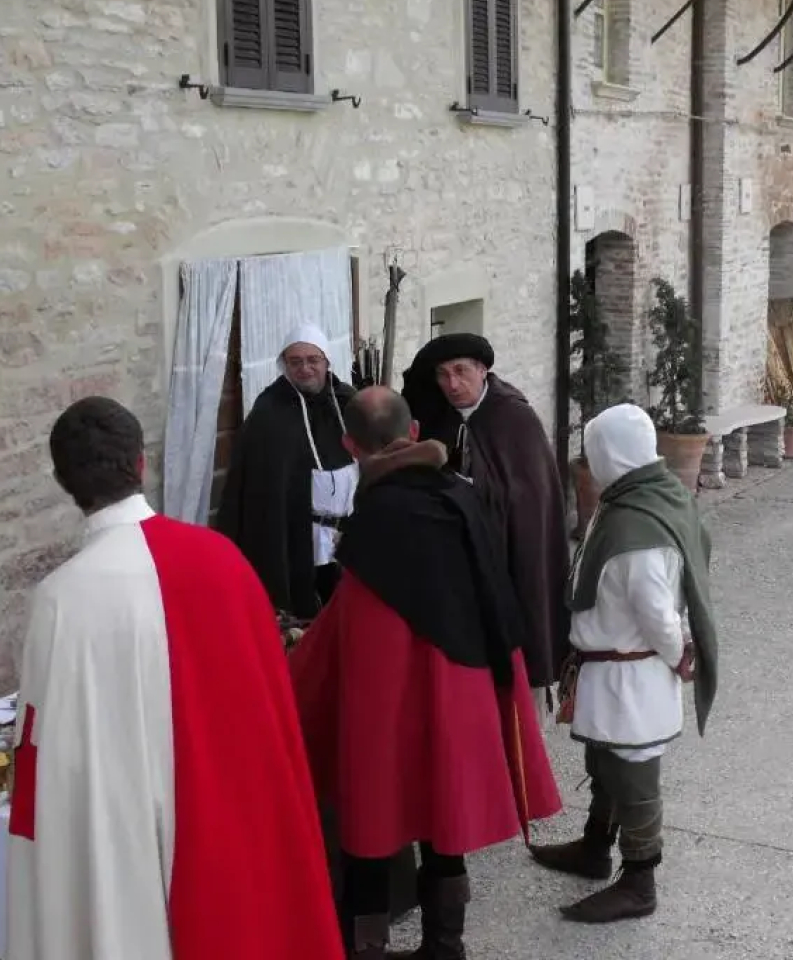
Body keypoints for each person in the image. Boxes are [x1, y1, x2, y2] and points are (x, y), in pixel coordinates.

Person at [6, 397, 341, 960]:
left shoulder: (62, 599)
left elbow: (50, 756)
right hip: (232, 825)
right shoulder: (224, 559)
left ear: (65, 482)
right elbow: (269, 708)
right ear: (141, 465)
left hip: (125, 834)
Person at [289, 386, 562, 960]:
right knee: (445, 817)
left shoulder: (373, 524)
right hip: (461, 686)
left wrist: (291, 664)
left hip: (388, 699)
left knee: (370, 820)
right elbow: (495, 595)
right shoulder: (460, 497)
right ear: (413, 433)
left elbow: (359, 633)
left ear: (348, 446)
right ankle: (445, 945)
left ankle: (366, 949)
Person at [529, 403, 719, 924]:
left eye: (594, 451)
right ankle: (594, 848)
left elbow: (656, 611)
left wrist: (679, 653)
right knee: (606, 761)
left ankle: (639, 882)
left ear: (612, 453)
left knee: (635, 775)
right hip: (612, 670)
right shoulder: (642, 496)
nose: (590, 461)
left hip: (631, 673)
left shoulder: (638, 528)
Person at [401, 333, 570, 719]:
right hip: (460, 576)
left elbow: (528, 505)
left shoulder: (513, 418)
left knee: (515, 694)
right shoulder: (438, 417)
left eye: (461, 372)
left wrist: (468, 493)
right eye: (443, 375)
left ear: (482, 370)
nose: (452, 384)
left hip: (507, 569)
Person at [216, 324, 358, 619]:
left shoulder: (347, 402)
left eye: (312, 360)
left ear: (326, 362)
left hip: (351, 532)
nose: (305, 369)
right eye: (296, 362)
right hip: (298, 535)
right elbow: (258, 484)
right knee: (308, 613)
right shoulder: (270, 412)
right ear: (285, 365)